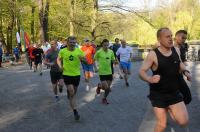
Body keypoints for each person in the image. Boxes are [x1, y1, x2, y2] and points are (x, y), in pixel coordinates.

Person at [139, 27, 191, 132]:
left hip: (174, 92)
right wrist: (149, 79)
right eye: (167, 36)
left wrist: (185, 71)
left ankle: (171, 109)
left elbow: (179, 62)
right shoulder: (153, 54)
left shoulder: (176, 49)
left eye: (171, 36)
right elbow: (141, 72)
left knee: (184, 121)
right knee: (162, 125)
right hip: (159, 94)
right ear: (159, 39)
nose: (171, 38)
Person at [57, 36, 85, 121]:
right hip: (67, 74)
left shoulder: (79, 50)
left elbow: (85, 60)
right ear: (67, 43)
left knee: (73, 93)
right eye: (71, 42)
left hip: (76, 74)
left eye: (74, 42)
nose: (73, 44)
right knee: (72, 92)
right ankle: (75, 111)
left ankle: (70, 94)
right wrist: (60, 66)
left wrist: (83, 59)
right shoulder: (63, 51)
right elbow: (58, 59)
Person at [94, 39, 116, 104]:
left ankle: (101, 90)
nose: (106, 46)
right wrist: (95, 67)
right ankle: (104, 97)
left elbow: (113, 60)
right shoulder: (99, 52)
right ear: (102, 45)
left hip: (109, 72)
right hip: (102, 72)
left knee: (106, 88)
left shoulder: (111, 52)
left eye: (107, 45)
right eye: (105, 45)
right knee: (107, 89)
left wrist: (115, 62)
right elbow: (94, 59)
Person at [174, 30, 192, 105]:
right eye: (183, 37)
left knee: (187, 98)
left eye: (185, 38)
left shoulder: (183, 46)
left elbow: (181, 61)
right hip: (171, 77)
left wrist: (185, 71)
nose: (184, 39)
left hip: (179, 75)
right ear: (176, 37)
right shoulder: (170, 47)